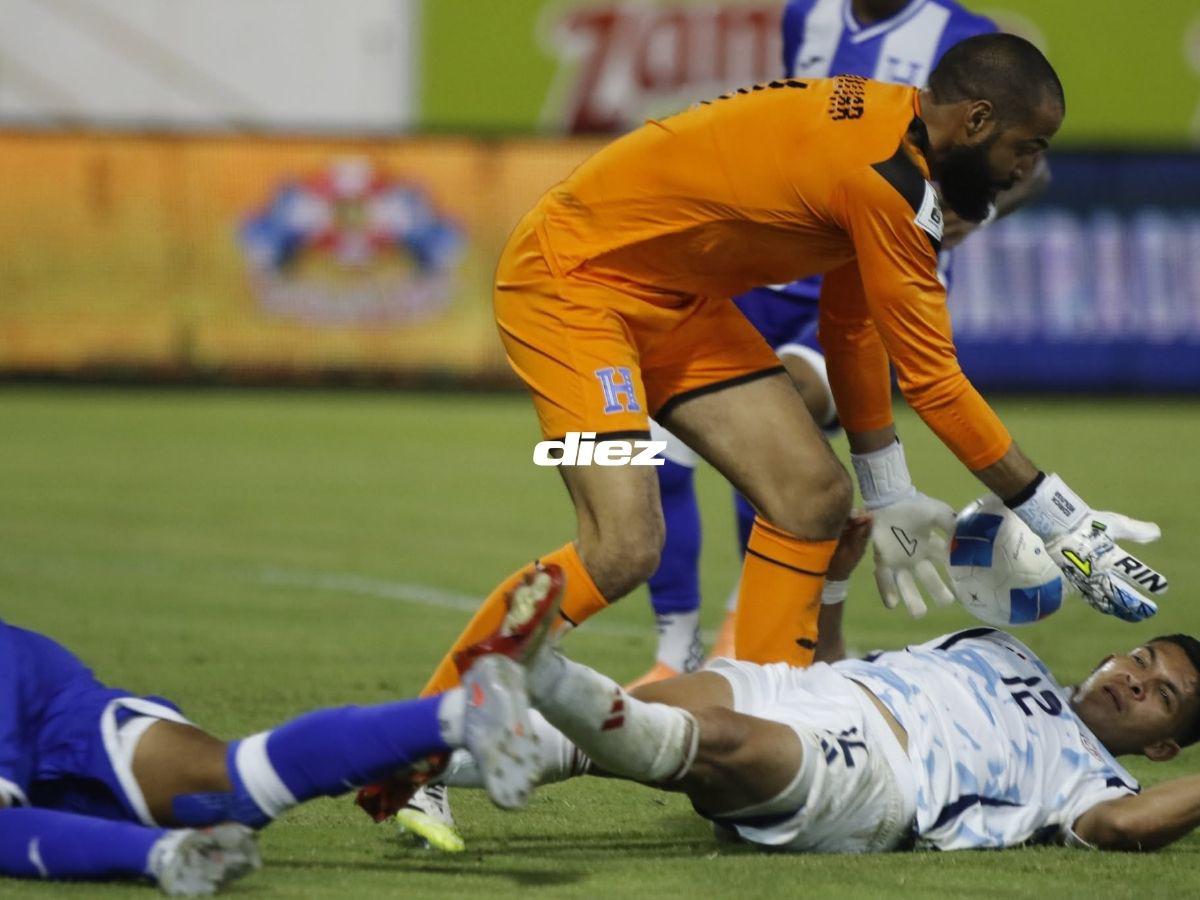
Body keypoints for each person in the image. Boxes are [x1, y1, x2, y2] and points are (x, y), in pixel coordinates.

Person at [387, 33, 1168, 844]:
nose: (1025, 171)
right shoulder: (887, 182)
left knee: (812, 498)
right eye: (1026, 146)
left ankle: (765, 715)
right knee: (623, 545)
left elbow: (850, 319)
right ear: (975, 120)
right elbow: (934, 380)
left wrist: (888, 486)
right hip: (574, 283)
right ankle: (412, 754)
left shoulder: (898, 142)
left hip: (675, 299)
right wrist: (1065, 524)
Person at [637, 0, 1045, 688]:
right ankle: (676, 653)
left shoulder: (970, 39)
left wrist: (970, 211)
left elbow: (1029, 166)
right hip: (767, 268)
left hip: (862, 286)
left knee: (783, 423)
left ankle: (755, 633)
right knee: (660, 448)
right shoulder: (807, 17)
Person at [440, 527, 1200, 855]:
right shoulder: (998, 647)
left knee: (718, 745)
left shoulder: (1097, 781)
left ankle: (541, 667)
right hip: (823, 688)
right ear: (1110, 653)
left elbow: (1126, 829)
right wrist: (835, 578)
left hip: (884, 776)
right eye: (1141, 659)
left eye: (1163, 695)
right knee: (646, 719)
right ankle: (415, 763)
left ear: (1164, 745)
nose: (1137, 681)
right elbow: (840, 659)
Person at [0, 577, 558, 895]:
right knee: (231, 792)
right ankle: (460, 712)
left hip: (37, 696)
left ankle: (162, 856)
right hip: (64, 717)